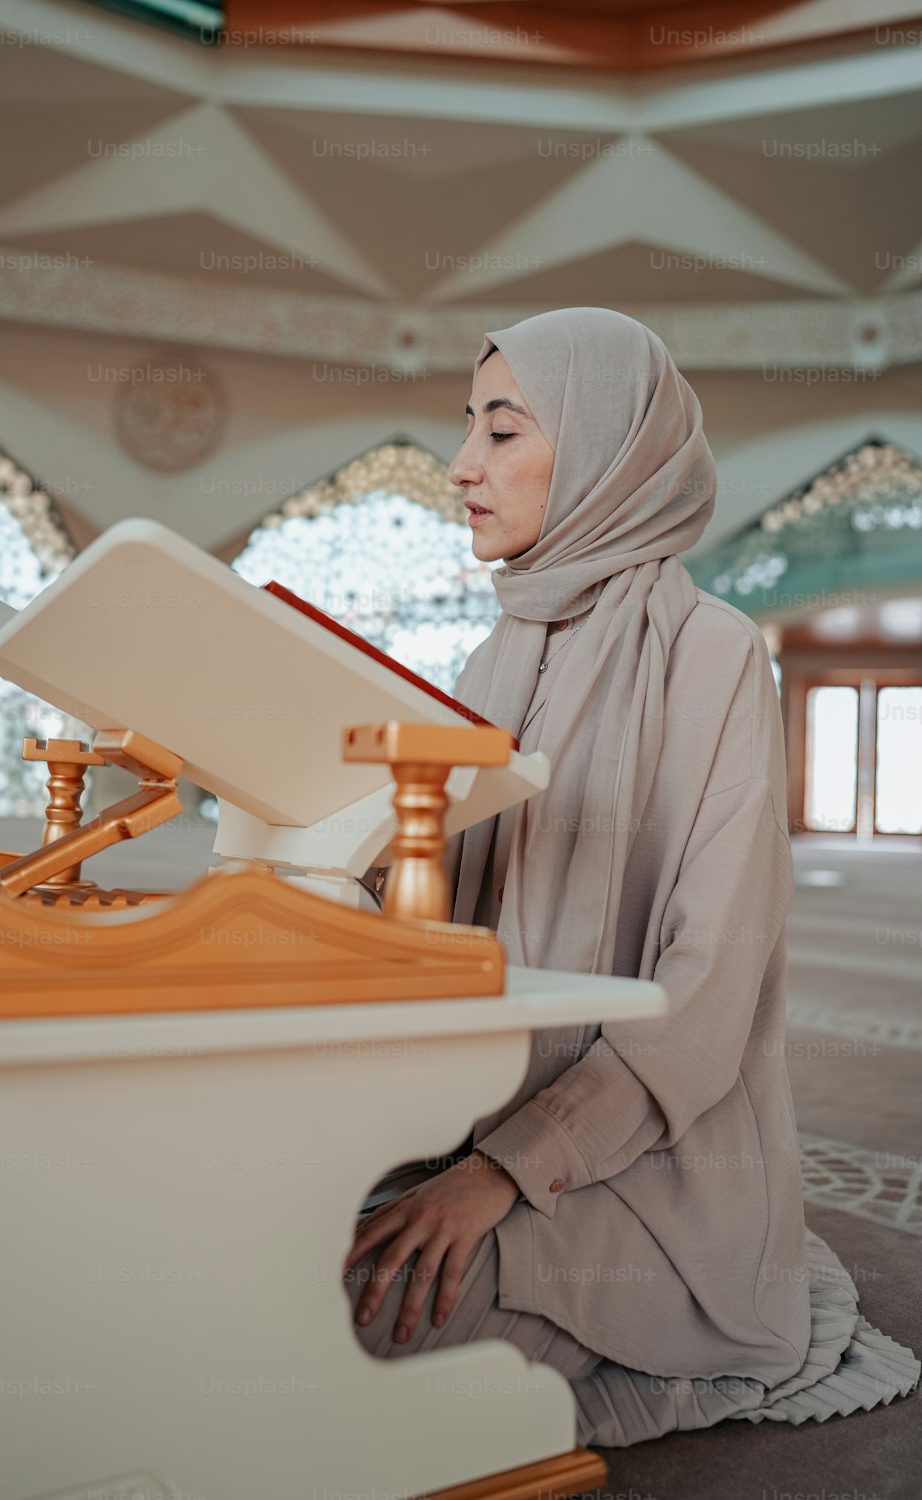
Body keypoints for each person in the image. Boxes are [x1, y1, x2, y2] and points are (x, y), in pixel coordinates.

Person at [342, 308, 919, 1445]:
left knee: (358, 1317)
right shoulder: (489, 658)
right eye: (469, 427)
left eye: (502, 432)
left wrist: (504, 1173)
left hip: (641, 1177)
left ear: (609, 453)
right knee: (253, 1247)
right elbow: (440, 916)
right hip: (465, 1125)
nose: (461, 464)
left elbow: (703, 996)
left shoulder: (709, 655)